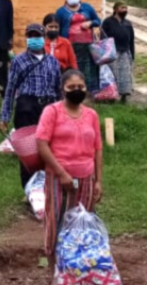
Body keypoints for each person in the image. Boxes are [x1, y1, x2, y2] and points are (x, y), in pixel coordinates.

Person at [36, 69, 103, 269]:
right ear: (63, 89)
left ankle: (79, 271)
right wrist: (62, 173)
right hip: (59, 179)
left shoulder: (91, 115)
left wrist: (98, 181)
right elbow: (41, 144)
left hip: (86, 178)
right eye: (71, 87)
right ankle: (55, 271)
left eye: (80, 87)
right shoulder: (52, 111)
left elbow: (98, 148)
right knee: (57, 222)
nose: (77, 90)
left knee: (82, 226)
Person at [0, 23, 63, 187]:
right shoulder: (19, 62)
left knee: (49, 147)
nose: (35, 39)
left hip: (48, 108)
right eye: (31, 36)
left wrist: (63, 114)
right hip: (26, 107)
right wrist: (4, 116)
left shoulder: (53, 62)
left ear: (44, 38)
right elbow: (10, 90)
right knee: (28, 150)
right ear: (27, 39)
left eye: (38, 36)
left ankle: (48, 184)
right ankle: (29, 187)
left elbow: (59, 90)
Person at [54, 0, 102, 93]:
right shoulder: (60, 12)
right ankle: (74, 91)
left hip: (89, 46)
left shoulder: (87, 8)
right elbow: (57, 27)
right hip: (71, 46)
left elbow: (98, 21)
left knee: (90, 69)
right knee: (74, 68)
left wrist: (91, 23)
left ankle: (91, 92)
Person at [101, 2, 136, 103]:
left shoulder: (128, 23)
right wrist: (105, 53)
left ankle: (124, 96)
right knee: (112, 74)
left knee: (125, 74)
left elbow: (131, 40)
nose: (124, 10)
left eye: (126, 8)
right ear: (116, 9)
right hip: (111, 52)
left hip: (125, 51)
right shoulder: (108, 22)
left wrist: (132, 55)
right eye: (122, 8)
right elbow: (103, 37)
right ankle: (111, 96)